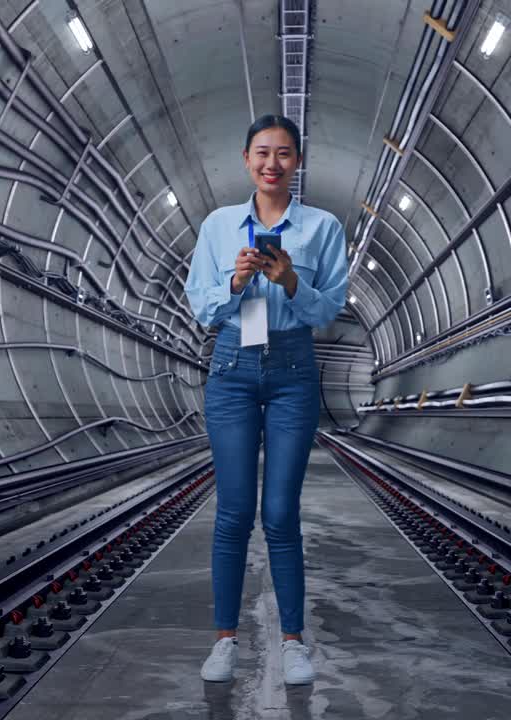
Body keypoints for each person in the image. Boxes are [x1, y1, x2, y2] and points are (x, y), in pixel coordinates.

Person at [183, 114, 349, 686]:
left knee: (280, 513)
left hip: (293, 368)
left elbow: (331, 309)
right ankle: (225, 640)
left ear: (297, 161)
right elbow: (200, 306)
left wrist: (291, 282)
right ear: (246, 158)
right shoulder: (219, 226)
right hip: (232, 365)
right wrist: (234, 283)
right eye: (261, 152)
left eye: (283, 153)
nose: (271, 163)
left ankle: (294, 642)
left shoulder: (322, 227)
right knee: (233, 512)